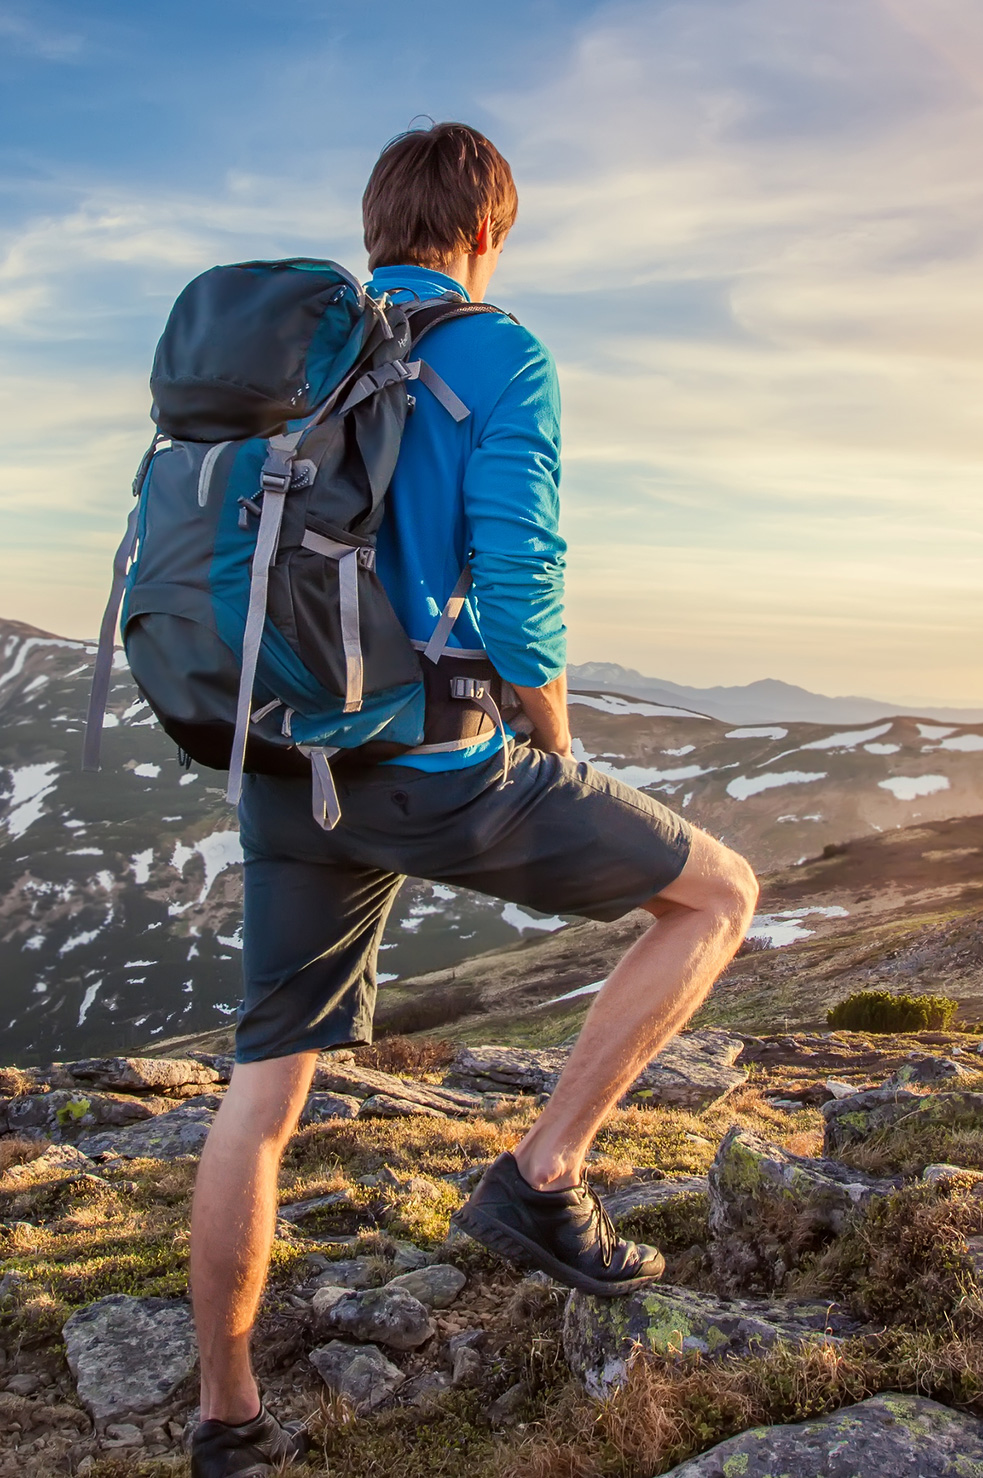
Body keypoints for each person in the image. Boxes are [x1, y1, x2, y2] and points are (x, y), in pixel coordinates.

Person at [182, 122, 759, 1478]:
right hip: (434, 767)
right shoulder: (498, 353)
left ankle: (224, 1417)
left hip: (281, 761)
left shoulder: (296, 357)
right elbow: (519, 574)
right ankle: (540, 1174)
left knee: (259, 1096)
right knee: (718, 891)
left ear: (376, 224)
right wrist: (549, 744)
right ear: (490, 232)